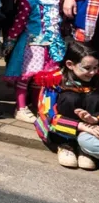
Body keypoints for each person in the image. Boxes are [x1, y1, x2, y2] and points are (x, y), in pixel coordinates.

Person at [4, 0, 65, 123]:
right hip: (33, 44)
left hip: (50, 44)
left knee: (43, 78)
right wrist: (11, 39)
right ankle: (21, 107)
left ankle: (40, 107)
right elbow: (20, 21)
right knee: (25, 77)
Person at [33, 39, 99, 169]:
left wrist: (94, 119)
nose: (92, 72)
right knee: (70, 98)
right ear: (70, 64)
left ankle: (83, 148)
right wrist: (80, 126)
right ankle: (65, 144)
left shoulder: (96, 80)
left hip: (90, 129)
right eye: (87, 68)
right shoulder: (53, 82)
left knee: (94, 98)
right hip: (60, 130)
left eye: (96, 67)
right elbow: (48, 115)